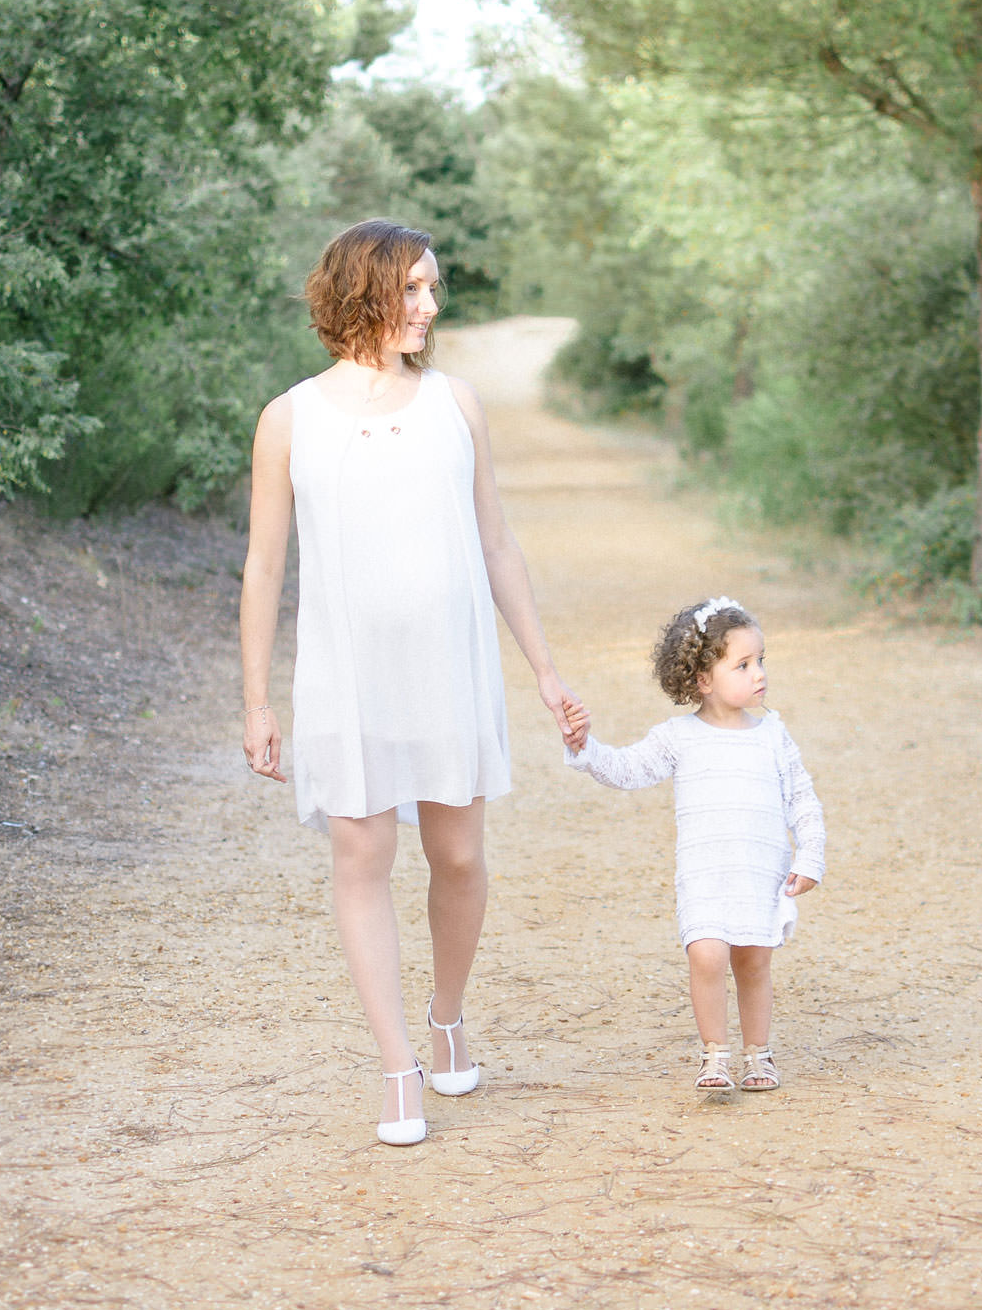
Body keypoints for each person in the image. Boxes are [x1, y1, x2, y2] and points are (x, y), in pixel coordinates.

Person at [240, 218, 582, 1147]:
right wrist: (259, 700)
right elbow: (264, 567)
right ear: (366, 291)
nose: (432, 307)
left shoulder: (456, 404)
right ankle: (399, 1067)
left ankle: (447, 1014)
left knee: (460, 857)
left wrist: (545, 672)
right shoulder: (289, 418)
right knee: (362, 861)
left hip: (449, 666)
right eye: (417, 289)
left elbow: (497, 543)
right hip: (347, 677)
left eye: (434, 290)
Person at [560, 597, 825, 1092]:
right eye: (743, 664)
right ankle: (715, 1055)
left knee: (754, 959)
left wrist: (809, 854)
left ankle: (759, 1055)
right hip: (706, 873)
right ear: (703, 679)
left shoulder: (773, 735)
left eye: (761, 660)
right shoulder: (678, 738)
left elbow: (803, 800)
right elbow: (626, 769)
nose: (759, 673)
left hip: (758, 871)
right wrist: (585, 748)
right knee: (707, 955)